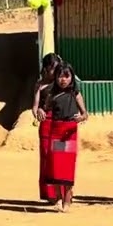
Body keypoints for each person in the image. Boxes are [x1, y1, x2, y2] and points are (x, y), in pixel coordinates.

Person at [42, 62, 87, 212]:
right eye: (60, 76)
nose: (63, 80)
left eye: (67, 76)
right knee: (56, 166)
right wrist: (41, 112)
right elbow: (44, 109)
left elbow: (85, 114)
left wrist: (80, 118)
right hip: (56, 131)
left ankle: (67, 200)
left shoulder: (75, 93)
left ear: (71, 78)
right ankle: (58, 199)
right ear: (55, 77)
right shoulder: (51, 93)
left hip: (70, 132)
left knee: (68, 166)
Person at [32, 53, 64, 204]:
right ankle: (50, 193)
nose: (56, 72)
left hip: (60, 123)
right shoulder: (39, 84)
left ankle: (63, 192)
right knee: (46, 156)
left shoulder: (62, 83)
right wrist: (38, 111)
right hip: (46, 124)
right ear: (46, 69)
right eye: (53, 69)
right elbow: (34, 107)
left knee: (60, 155)